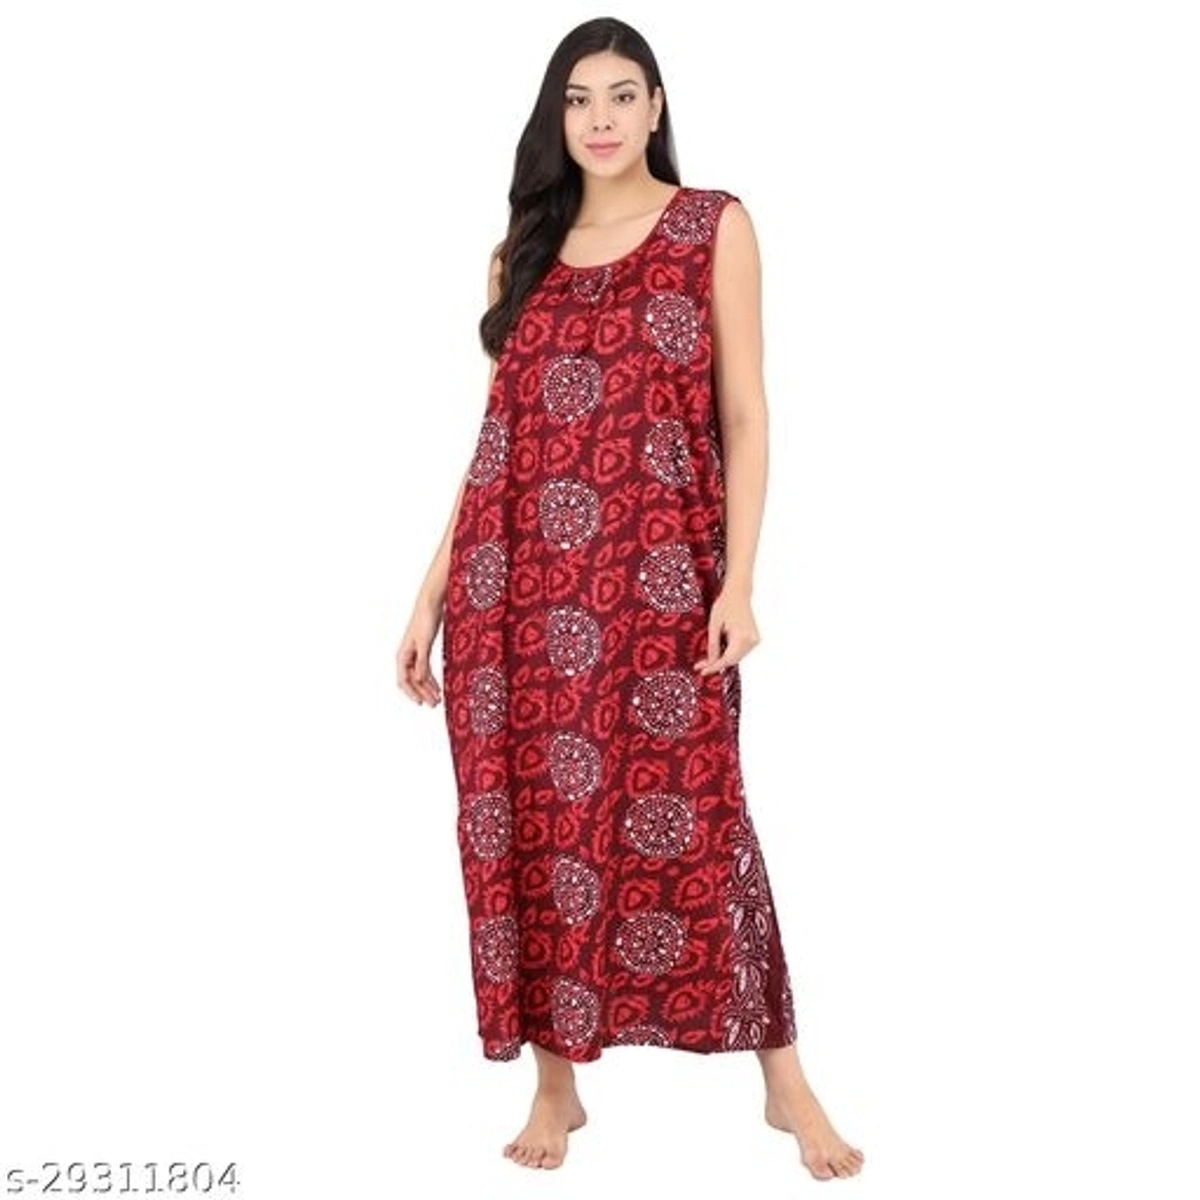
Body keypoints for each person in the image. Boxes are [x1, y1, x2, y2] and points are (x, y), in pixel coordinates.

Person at [395, 15, 864, 1182]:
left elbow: (746, 414)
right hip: (513, 593)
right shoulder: (522, 252)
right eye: (578, 99)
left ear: (656, 107)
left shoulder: (713, 225)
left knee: (705, 818)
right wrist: (429, 594)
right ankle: (557, 1085)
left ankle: (785, 1081)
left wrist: (739, 581)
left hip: (658, 585)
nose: (599, 118)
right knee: (530, 826)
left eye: (621, 95)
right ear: (556, 118)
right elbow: (496, 441)